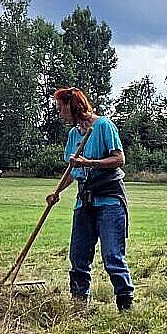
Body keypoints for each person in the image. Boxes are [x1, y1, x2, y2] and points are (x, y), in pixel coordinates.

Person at [45, 87, 132, 310]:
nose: (59, 113)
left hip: (110, 201)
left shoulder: (103, 126)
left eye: (61, 108)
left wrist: (90, 163)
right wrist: (57, 192)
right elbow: (72, 171)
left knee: (112, 256)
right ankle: (78, 303)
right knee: (78, 257)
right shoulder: (74, 135)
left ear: (72, 107)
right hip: (84, 202)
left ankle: (125, 303)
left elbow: (119, 159)